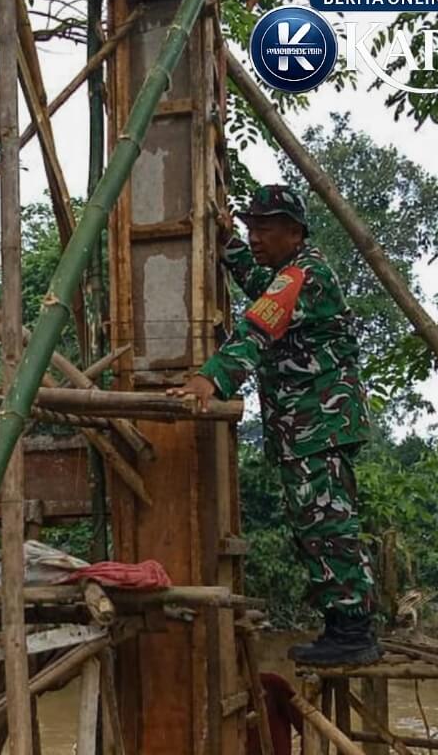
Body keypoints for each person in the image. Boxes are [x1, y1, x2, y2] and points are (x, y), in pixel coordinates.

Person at [168, 185, 378, 665]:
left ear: (295, 231)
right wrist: (231, 248)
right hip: (307, 428)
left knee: (327, 525)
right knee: (317, 525)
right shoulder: (289, 275)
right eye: (250, 228)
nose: (254, 236)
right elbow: (264, 292)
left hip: (317, 426)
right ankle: (345, 626)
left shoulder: (304, 274)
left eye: (264, 228)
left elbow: (259, 322)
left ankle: (353, 632)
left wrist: (210, 380)